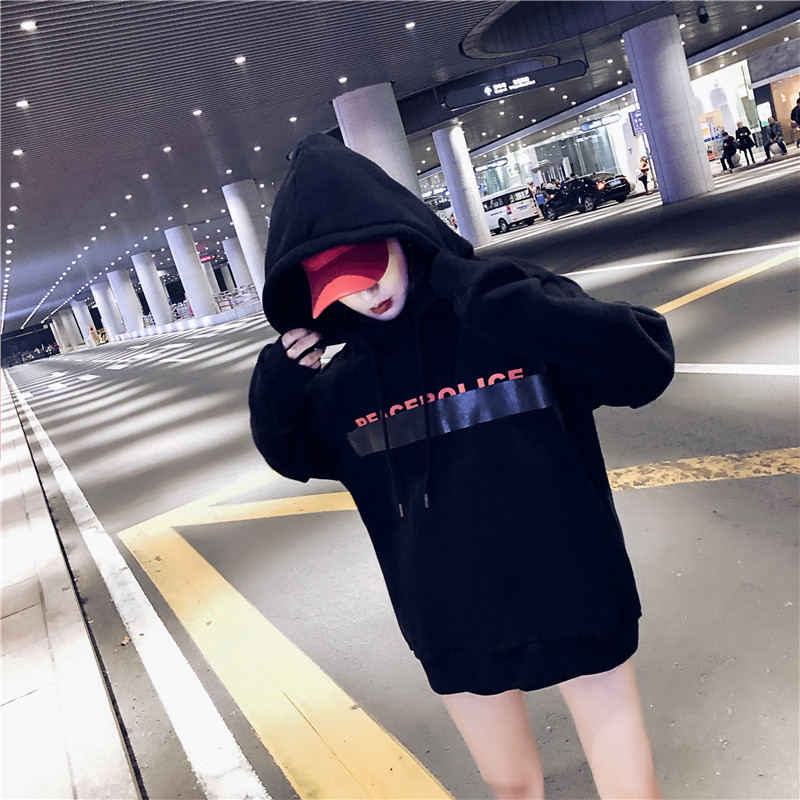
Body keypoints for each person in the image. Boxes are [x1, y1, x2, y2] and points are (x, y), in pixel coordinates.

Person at [249, 133, 674, 800]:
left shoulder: (510, 307)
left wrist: (487, 293)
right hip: (452, 619)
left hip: (576, 589)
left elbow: (644, 364)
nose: (365, 295)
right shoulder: (345, 386)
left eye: (371, 268)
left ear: (403, 239)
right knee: (511, 787)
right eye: (341, 288)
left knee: (629, 786)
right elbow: (293, 453)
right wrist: (277, 385)